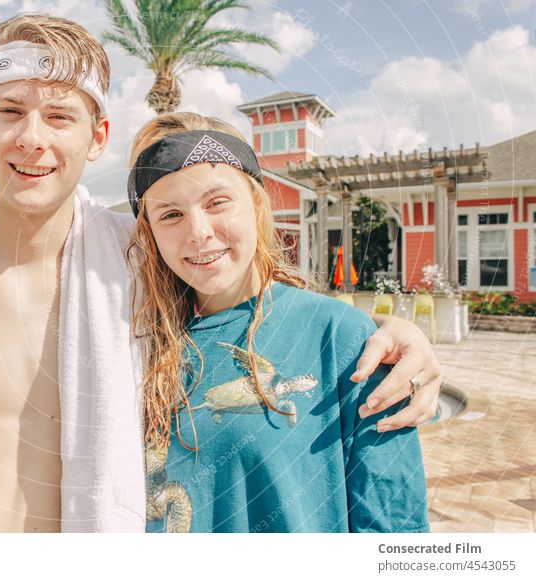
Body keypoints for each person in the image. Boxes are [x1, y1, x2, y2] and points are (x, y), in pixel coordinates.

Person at [0, 14, 439, 534]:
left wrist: (400, 338)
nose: (31, 138)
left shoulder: (146, 257)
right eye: (10, 111)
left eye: (59, 115)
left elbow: (260, 305)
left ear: (97, 136)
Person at [128, 113, 429, 532]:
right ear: (149, 232)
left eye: (217, 202)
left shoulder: (344, 339)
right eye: (170, 214)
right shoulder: (131, 346)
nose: (198, 232)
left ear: (256, 202)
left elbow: (394, 528)